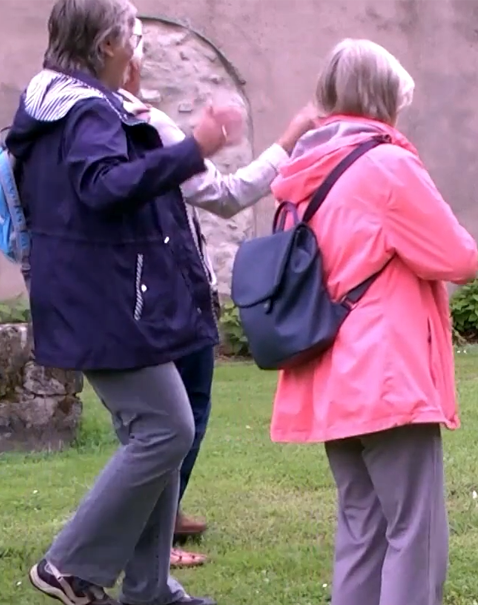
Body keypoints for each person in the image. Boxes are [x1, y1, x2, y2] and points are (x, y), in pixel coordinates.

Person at [268, 38, 478, 605]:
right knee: (414, 528)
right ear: (385, 97)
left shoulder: (304, 169)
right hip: (386, 372)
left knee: (361, 522)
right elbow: (459, 257)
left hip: (330, 372)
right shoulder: (387, 165)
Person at [11, 0, 243, 605]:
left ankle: (147, 580)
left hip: (102, 298)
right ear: (106, 44)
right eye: (133, 36)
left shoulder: (64, 103)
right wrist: (193, 148)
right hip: (105, 303)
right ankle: (70, 564)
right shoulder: (86, 110)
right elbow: (104, 186)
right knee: (167, 428)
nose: (140, 48)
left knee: (158, 430)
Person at [117, 17, 321, 568]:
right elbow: (227, 195)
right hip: (163, 297)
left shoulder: (105, 120)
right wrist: (288, 140)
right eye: (135, 46)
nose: (140, 59)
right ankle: (151, 532)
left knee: (173, 414)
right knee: (175, 417)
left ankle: (164, 512)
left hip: (153, 292)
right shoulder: (139, 124)